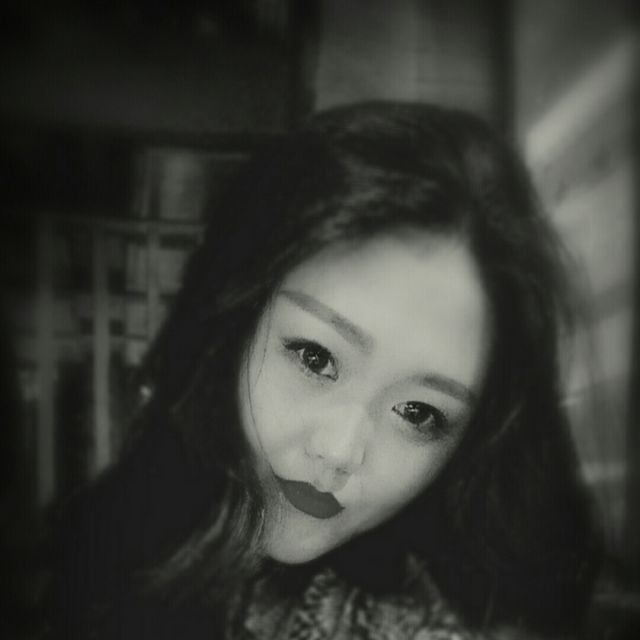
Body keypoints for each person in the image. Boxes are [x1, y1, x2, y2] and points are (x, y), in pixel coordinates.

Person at [50, 102, 600, 639]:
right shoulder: (99, 547)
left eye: (418, 413)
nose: (339, 452)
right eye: (315, 358)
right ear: (235, 321)